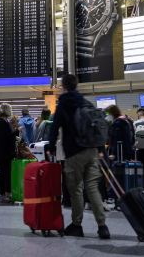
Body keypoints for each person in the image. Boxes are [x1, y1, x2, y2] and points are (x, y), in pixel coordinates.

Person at [48, 74, 110, 239]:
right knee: (92, 188)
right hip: (92, 151)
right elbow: (96, 125)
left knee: (76, 190)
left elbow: (55, 127)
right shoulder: (85, 102)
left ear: (63, 86)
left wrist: (50, 146)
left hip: (74, 152)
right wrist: (99, 148)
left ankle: (77, 224)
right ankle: (102, 226)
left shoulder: (64, 104)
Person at [0, 103, 17, 204]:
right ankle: (5, 194)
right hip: (5, 152)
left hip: (2, 152)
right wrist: (16, 131)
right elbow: (6, 137)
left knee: (4, 173)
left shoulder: (1, 122)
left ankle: (4, 194)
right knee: (5, 173)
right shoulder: (1, 123)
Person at [133, 108, 144, 192]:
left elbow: (133, 137)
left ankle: (142, 187)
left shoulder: (135, 123)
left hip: (139, 149)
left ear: (138, 115)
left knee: (141, 169)